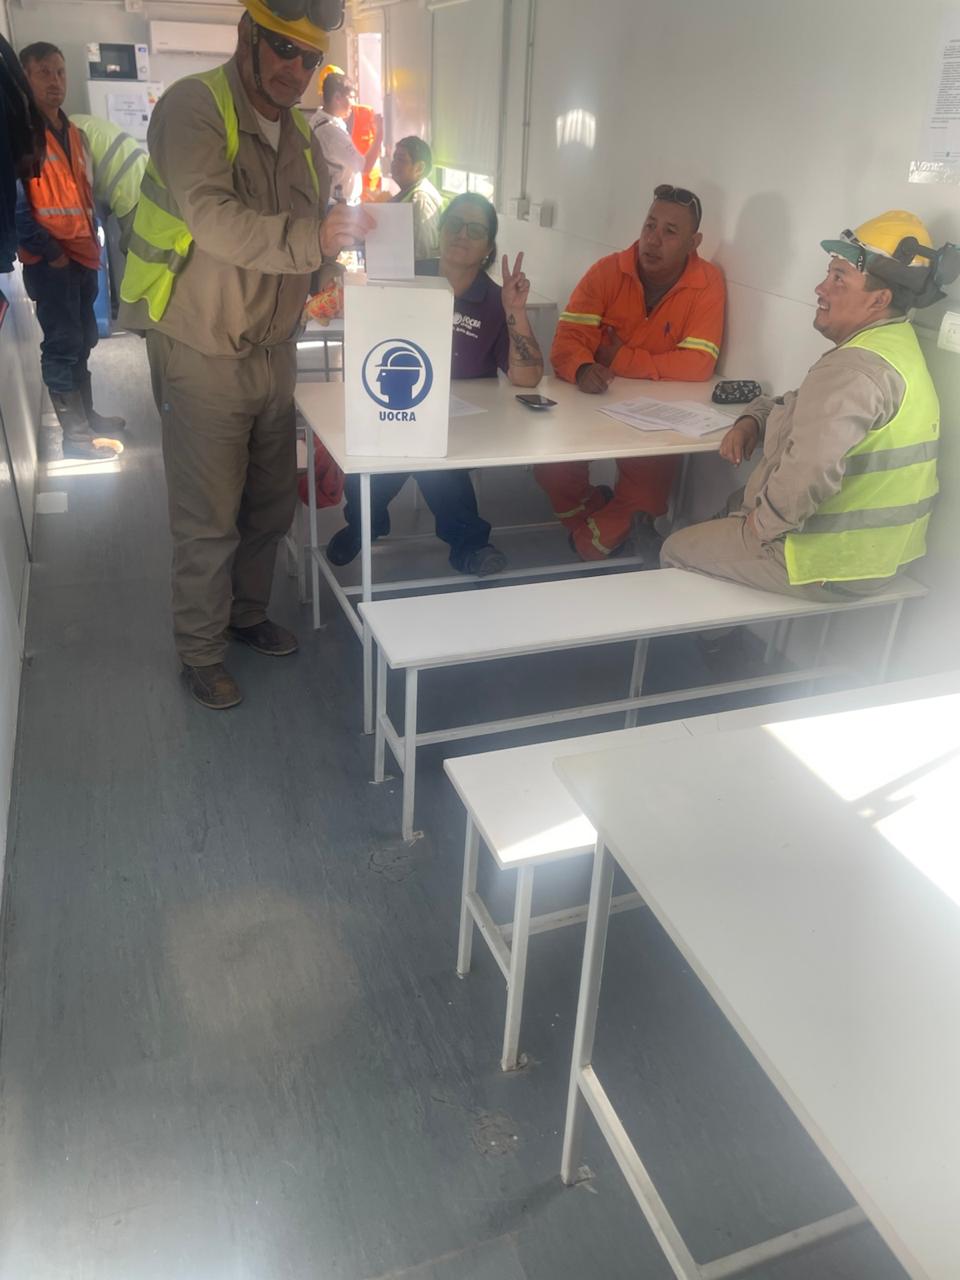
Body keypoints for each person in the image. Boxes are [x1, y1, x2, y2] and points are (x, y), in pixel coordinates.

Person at [118, 0, 373, 711]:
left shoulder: (302, 135)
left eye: (309, 59)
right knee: (208, 518)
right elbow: (215, 220)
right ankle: (201, 654)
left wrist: (332, 276)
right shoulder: (193, 109)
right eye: (282, 50)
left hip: (274, 352)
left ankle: (247, 615)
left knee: (269, 505)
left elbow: (313, 230)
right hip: (203, 351)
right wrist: (315, 241)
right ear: (246, 36)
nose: (296, 69)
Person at [661, 212, 944, 601]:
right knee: (730, 507)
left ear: (880, 300)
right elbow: (801, 406)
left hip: (826, 560)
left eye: (839, 278)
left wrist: (757, 530)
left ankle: (717, 636)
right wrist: (753, 419)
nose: (820, 288)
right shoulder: (895, 347)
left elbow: (809, 472)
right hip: (884, 555)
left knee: (675, 549)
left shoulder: (853, 369)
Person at [326, 193, 543, 577]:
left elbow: (527, 378)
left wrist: (515, 311)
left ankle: (465, 545)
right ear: (440, 230)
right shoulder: (402, 275)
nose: (463, 234)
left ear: (489, 247)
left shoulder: (495, 300)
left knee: (437, 464)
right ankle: (367, 523)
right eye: (455, 224)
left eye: (476, 230)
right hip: (394, 400)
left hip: (458, 420)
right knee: (366, 459)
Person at [535, 184, 725, 560]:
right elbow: (567, 342)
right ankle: (594, 515)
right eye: (650, 225)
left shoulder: (707, 282)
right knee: (551, 470)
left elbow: (699, 363)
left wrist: (619, 357)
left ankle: (587, 540)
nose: (653, 240)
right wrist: (583, 366)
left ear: (694, 242)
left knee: (643, 505)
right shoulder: (607, 271)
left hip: (656, 417)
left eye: (670, 232)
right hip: (588, 405)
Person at [16, 42, 123, 460]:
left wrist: (92, 241)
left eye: (60, 72)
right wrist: (50, 251)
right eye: (43, 72)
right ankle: (75, 439)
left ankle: (88, 419)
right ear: (25, 78)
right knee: (62, 344)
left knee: (83, 339)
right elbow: (17, 207)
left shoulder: (74, 133)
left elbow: (82, 195)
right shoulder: (21, 136)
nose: (55, 81)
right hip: (51, 262)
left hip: (81, 256)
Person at [70, 114, 146, 254]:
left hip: (131, 189)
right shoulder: (75, 122)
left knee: (138, 254)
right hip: (142, 172)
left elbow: (84, 180)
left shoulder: (64, 136)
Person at [310, 70, 381, 203]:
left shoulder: (317, 119)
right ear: (337, 98)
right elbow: (366, 167)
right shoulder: (332, 133)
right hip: (341, 204)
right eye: (351, 97)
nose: (353, 103)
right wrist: (380, 133)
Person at [390, 136, 442, 259]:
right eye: (394, 158)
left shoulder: (421, 201)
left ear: (419, 168)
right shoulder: (409, 192)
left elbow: (423, 255)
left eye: (401, 160)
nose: (394, 164)